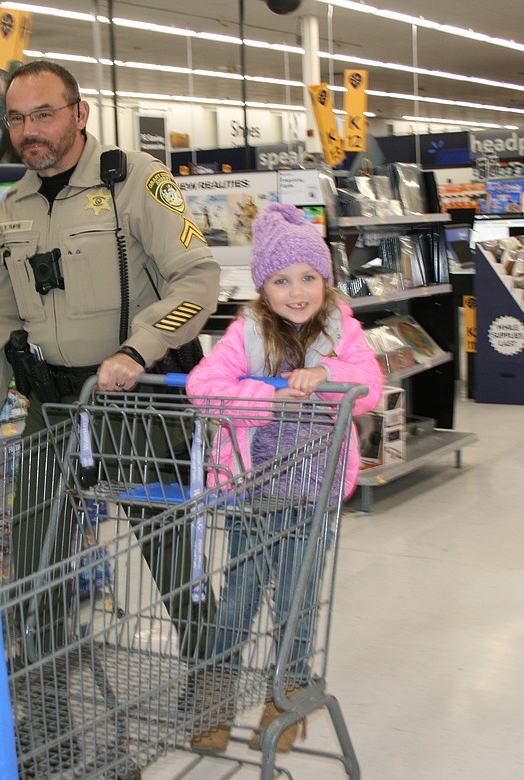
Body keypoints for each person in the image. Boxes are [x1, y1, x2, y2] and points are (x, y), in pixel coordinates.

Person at [0, 60, 219, 653]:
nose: (30, 130)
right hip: (51, 405)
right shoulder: (14, 207)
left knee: (173, 550)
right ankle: (47, 710)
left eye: (44, 114)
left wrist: (140, 347)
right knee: (35, 561)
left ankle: (214, 678)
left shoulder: (136, 182)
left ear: (80, 114)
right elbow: (2, 318)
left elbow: (198, 281)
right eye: (17, 118)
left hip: (137, 400)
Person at [184, 203, 384, 753]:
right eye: (280, 280)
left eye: (308, 278)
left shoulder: (344, 329)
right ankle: (215, 705)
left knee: (298, 597)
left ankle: (287, 698)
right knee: (238, 601)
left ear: (325, 280)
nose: (296, 291)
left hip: (312, 493)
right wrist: (273, 400)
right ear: (262, 287)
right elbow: (204, 388)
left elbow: (370, 387)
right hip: (252, 489)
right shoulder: (244, 332)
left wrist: (325, 375)